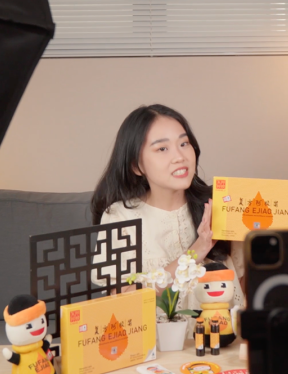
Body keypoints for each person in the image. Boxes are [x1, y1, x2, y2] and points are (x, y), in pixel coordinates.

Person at [90, 104, 245, 313]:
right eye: (162, 149)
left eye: (184, 143)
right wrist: (197, 251)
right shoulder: (119, 216)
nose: (180, 156)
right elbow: (122, 300)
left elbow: (243, 285)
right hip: (157, 335)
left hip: (223, 331)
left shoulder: (221, 204)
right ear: (136, 165)